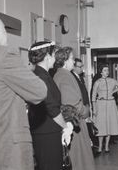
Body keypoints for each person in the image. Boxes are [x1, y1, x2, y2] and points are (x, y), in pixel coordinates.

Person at [0, 8, 47, 169]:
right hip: (7, 152)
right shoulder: (3, 55)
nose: (6, 35)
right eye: (4, 30)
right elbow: (39, 91)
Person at [28, 41, 73, 170]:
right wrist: (66, 127)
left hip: (48, 130)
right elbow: (51, 107)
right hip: (46, 133)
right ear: (47, 56)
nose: (55, 58)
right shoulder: (41, 76)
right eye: (54, 54)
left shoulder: (43, 74)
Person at [53, 47, 95, 170]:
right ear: (65, 60)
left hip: (73, 119)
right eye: (71, 58)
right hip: (74, 121)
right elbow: (72, 103)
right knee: (80, 159)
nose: (73, 61)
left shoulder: (62, 74)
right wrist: (85, 111)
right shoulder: (64, 76)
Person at [92, 64, 118, 153]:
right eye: (105, 70)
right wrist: (94, 108)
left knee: (109, 125)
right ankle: (99, 147)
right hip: (101, 104)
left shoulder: (112, 81)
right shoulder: (97, 82)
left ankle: (106, 147)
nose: (107, 72)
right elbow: (93, 96)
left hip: (110, 104)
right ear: (101, 72)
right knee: (101, 126)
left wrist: (112, 92)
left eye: (107, 70)